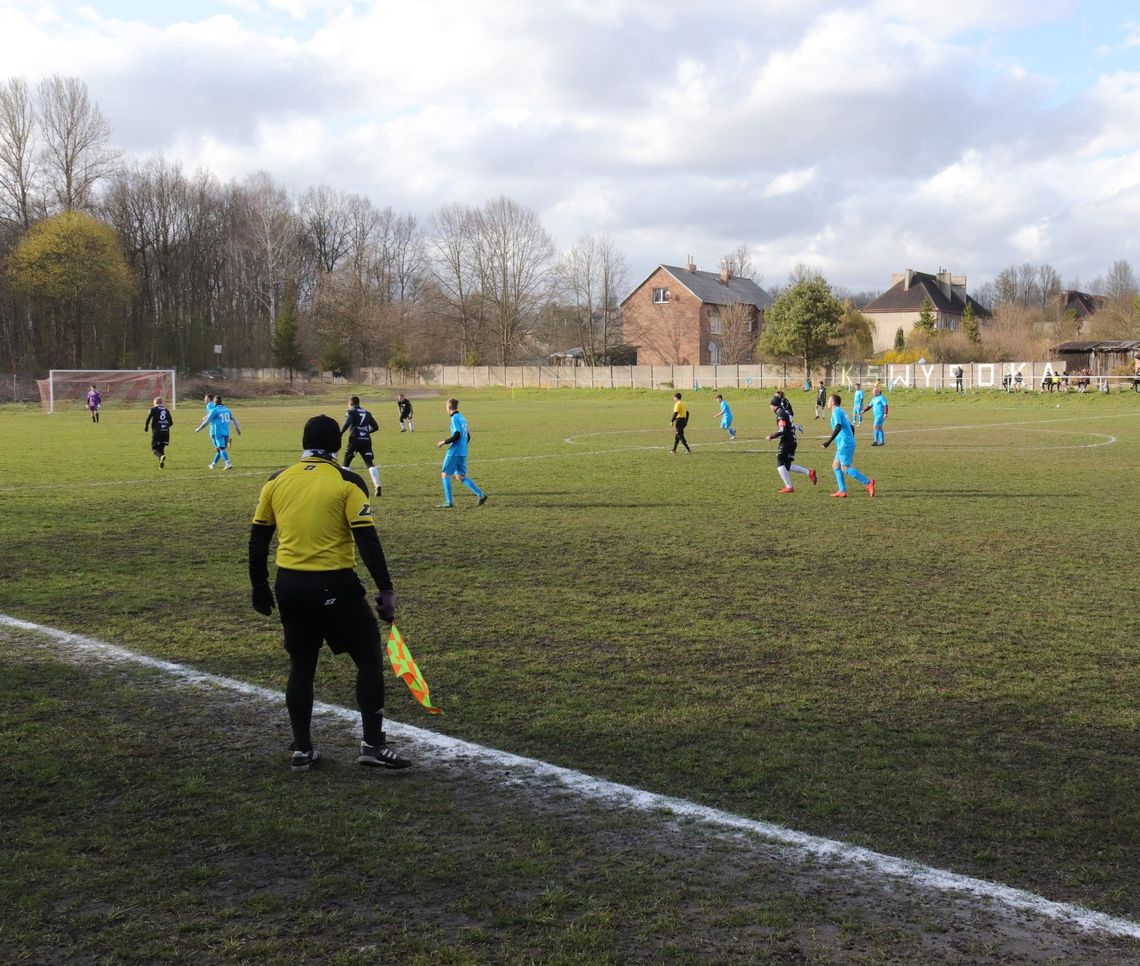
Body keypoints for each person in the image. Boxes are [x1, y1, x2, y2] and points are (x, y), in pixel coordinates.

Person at [248, 414, 410, 772]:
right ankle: (372, 745)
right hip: (335, 584)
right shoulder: (348, 481)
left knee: (301, 665)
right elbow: (367, 539)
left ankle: (302, 750)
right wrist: (385, 589)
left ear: (303, 443)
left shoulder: (276, 481)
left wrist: (259, 586)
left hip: (289, 584)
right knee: (368, 657)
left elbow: (259, 538)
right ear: (338, 445)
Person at [436, 398, 488, 508]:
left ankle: (448, 502)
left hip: (454, 452)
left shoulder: (454, 418)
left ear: (449, 408)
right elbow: (468, 436)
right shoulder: (462, 418)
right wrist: (462, 447)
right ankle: (481, 494)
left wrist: (443, 442)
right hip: (463, 452)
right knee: (460, 476)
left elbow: (457, 435)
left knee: (445, 474)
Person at [822, 393, 875, 499]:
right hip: (845, 443)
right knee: (835, 466)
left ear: (832, 402)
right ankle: (842, 491)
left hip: (844, 444)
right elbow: (851, 427)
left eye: (828, 401)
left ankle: (868, 482)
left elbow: (838, 426)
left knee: (845, 468)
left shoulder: (836, 412)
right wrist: (850, 439)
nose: (827, 402)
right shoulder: (842, 411)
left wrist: (829, 441)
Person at [766, 395, 816, 493]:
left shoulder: (780, 413)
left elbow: (782, 429)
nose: (770, 407)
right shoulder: (785, 412)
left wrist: (771, 436)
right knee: (787, 466)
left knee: (780, 463)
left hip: (787, 441)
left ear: (774, 405)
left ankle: (789, 487)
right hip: (792, 440)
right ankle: (809, 472)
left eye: (770, 405)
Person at [340, 396, 382, 497]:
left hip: (354, 440)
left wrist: (340, 433)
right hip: (366, 440)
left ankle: (344, 490)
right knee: (369, 463)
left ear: (350, 403)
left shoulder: (351, 411)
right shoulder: (367, 412)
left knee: (346, 464)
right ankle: (377, 485)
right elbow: (376, 427)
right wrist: (366, 432)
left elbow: (348, 422)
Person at [194, 394, 241, 469]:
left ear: (214, 402)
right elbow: (234, 419)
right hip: (226, 432)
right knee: (221, 449)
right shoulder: (227, 409)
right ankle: (213, 464)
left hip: (217, 432)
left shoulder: (214, 410)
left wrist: (199, 429)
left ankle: (228, 463)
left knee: (220, 449)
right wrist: (238, 429)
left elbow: (207, 421)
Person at [144, 396, 174, 469]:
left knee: (154, 448)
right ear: (162, 403)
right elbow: (171, 423)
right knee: (161, 448)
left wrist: (146, 427)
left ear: (155, 403)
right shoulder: (166, 410)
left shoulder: (153, 409)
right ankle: (161, 464)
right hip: (166, 432)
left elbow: (148, 418)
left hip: (157, 431)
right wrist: (165, 427)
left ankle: (160, 456)